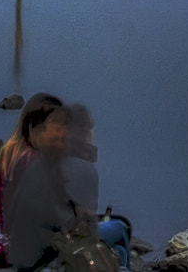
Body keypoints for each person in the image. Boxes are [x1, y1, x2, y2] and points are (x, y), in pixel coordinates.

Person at [0, 96, 74, 272]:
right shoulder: (37, 164)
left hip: (20, 243)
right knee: (118, 231)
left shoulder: (14, 152)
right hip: (41, 250)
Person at [61, 104, 131, 271]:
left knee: (119, 251)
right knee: (121, 227)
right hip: (66, 242)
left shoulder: (55, 161)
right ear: (86, 132)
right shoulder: (84, 169)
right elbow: (88, 228)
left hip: (46, 239)